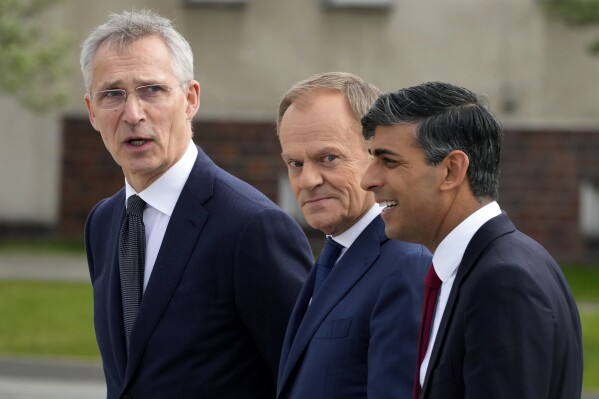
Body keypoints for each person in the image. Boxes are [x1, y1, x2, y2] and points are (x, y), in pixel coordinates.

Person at [80, 10, 313, 398]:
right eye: (113, 94)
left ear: (190, 100)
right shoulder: (103, 222)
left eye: (152, 90)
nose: (133, 114)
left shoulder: (251, 227)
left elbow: (304, 378)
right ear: (91, 111)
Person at [360, 81, 583, 399]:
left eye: (389, 161)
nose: (367, 179)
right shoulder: (489, 266)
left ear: (451, 170)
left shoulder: (504, 282)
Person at [276, 72, 431, 399]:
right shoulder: (331, 258)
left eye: (328, 158)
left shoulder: (406, 265)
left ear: (378, 157)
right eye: (295, 163)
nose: (307, 180)